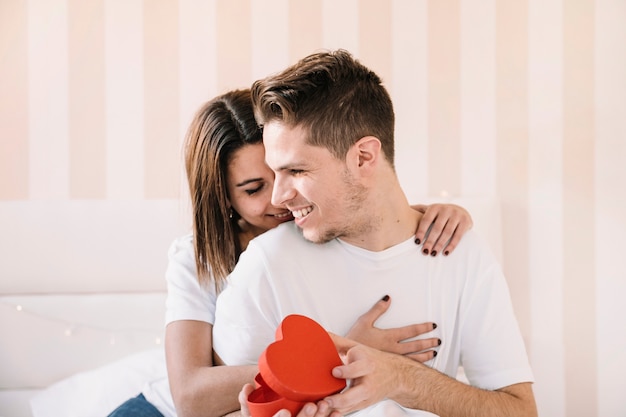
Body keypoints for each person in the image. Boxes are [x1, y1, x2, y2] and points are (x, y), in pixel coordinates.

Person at [106, 89, 474, 417]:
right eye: (253, 189)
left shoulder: (321, 228)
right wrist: (338, 355)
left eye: (288, 171)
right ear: (224, 197)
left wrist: (434, 214)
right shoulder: (196, 257)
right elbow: (190, 397)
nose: (280, 196)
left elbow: (375, 214)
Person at [212, 50, 537, 417]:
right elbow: (224, 406)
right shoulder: (266, 264)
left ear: (364, 158)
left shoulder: (460, 251)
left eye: (297, 171)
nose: (278, 196)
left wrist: (400, 378)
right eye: (275, 173)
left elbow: (521, 411)